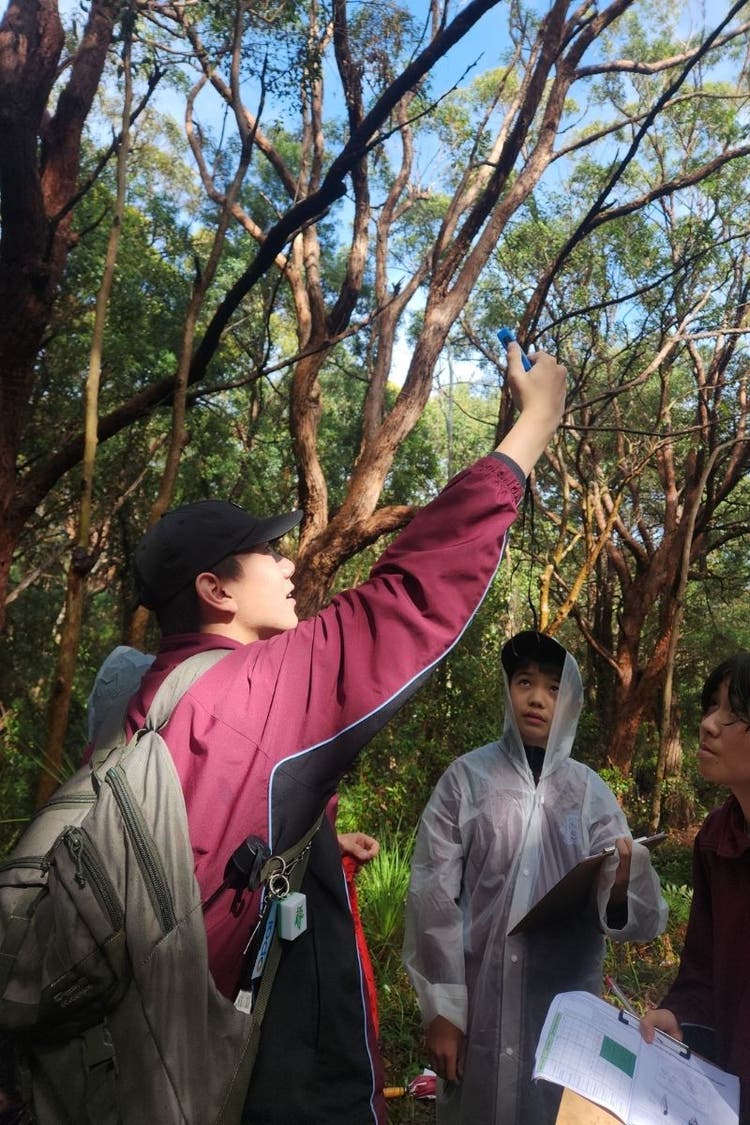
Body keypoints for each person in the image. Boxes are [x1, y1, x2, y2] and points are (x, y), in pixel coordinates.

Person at [119, 343, 566, 1125]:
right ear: (215, 589)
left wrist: (317, 841)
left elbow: (207, 836)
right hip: (249, 1080)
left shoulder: (149, 693)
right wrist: (533, 426)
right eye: (267, 550)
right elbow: (405, 599)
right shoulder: (246, 691)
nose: (288, 562)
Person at [403, 630, 667, 1125]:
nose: (537, 698)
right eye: (524, 682)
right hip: (477, 1002)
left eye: (553, 688)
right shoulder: (465, 780)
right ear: (507, 690)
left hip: (562, 1004)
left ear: (570, 703)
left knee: (549, 1104)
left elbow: (632, 917)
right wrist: (442, 1010)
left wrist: (624, 877)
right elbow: (433, 899)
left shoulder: (590, 794)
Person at [640, 651, 750, 1123]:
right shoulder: (716, 839)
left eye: (735, 713)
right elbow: (703, 970)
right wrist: (678, 1017)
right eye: (711, 706)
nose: (708, 724)